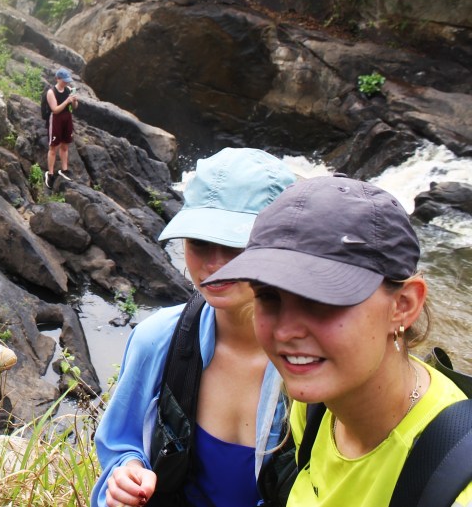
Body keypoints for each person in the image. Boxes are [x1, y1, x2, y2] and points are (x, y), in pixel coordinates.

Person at [203, 175, 472, 507]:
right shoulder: (314, 407)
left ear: (403, 306)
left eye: (322, 300)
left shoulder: (454, 485)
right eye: (269, 297)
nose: (286, 332)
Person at [93, 148, 297, 507]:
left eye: (237, 244)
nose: (215, 264)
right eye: (200, 241)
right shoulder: (159, 339)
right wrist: (126, 475)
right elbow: (118, 444)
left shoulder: (314, 359)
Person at [44, 67, 78, 190]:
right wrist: (66, 101)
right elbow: (55, 109)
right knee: (53, 146)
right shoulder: (51, 92)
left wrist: (74, 101)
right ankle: (50, 173)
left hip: (67, 118)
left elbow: (74, 107)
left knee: (65, 145)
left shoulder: (68, 90)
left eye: (67, 80)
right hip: (56, 119)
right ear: (58, 79)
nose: (66, 83)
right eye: (64, 80)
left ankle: (64, 169)